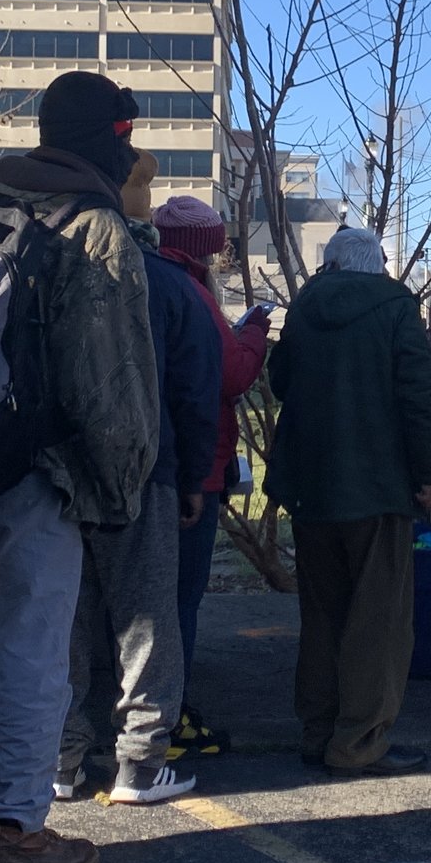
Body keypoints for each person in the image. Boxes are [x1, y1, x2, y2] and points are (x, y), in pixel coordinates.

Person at [0, 71, 158, 863]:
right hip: (36, 472)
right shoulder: (93, 228)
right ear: (108, 140)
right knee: (35, 651)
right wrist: (117, 488)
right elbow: (109, 383)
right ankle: (20, 827)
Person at [56, 151, 220, 805]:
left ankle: (58, 756)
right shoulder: (172, 285)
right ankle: (141, 762)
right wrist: (188, 478)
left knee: (63, 618)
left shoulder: (51, 269)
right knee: (148, 619)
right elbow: (195, 391)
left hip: (58, 473)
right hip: (145, 470)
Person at [265, 227, 431, 777]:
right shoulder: (396, 309)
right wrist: (429, 475)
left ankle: (317, 731)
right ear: (379, 264)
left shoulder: (303, 309)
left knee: (321, 615)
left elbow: (279, 382)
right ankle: (360, 742)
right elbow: (419, 397)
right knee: (379, 621)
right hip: (378, 487)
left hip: (311, 486)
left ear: (332, 265)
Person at [152, 192, 269, 757]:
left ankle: (152, 711)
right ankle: (168, 716)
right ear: (205, 249)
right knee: (181, 600)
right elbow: (230, 375)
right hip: (194, 471)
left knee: (148, 597)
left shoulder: (148, 280)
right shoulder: (193, 294)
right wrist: (255, 333)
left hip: (152, 464)